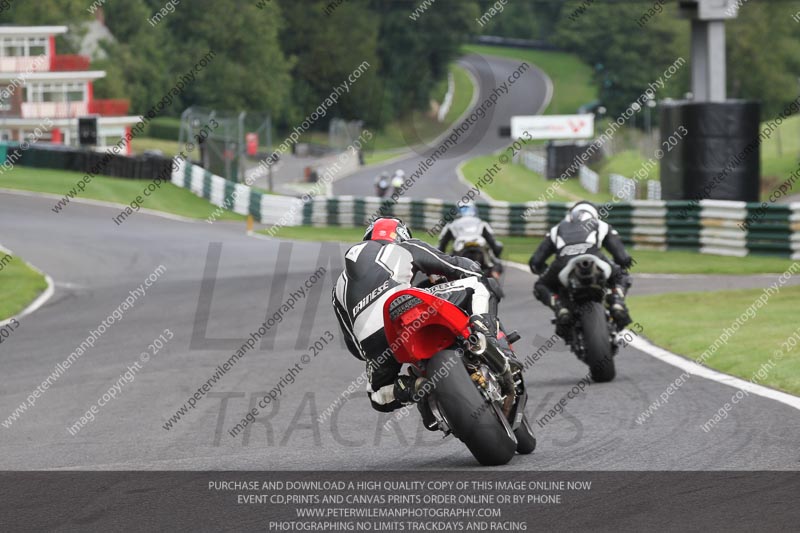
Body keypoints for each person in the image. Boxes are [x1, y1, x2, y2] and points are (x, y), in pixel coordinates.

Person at [332, 217, 506, 414]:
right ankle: (485, 339)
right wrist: (475, 270)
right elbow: (456, 266)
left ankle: (415, 387)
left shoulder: (339, 285)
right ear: (400, 235)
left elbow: (355, 347)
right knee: (482, 285)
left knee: (377, 396)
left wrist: (375, 351)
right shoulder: (405, 247)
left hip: (373, 344)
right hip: (404, 309)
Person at [528, 201, 633, 331]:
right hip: (595, 258)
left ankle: (561, 307)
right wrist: (620, 264)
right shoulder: (601, 224)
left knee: (541, 285)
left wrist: (544, 272)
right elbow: (623, 258)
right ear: (593, 214)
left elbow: (535, 262)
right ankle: (617, 301)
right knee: (622, 275)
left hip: (563, 263)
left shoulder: (556, 229)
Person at [438, 203, 504, 278]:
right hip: (479, 245)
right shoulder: (481, 223)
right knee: (495, 262)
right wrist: (497, 251)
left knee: (447, 266)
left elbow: (442, 244)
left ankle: (446, 279)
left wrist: (440, 255)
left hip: (460, 247)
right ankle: (494, 274)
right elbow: (492, 242)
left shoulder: (451, 225)